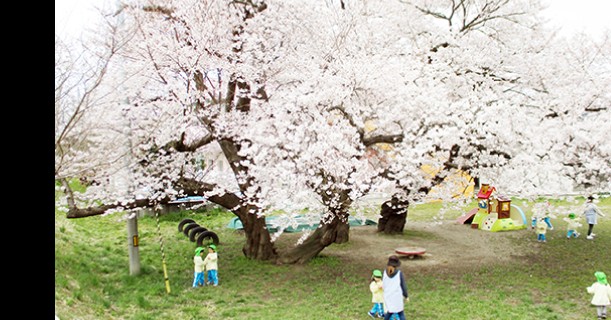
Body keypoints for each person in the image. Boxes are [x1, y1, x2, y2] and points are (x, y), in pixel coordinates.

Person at [382, 255, 409, 320]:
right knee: (400, 313)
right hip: (396, 296)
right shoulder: (399, 273)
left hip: (387, 295)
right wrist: (406, 295)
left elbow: (384, 284)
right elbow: (403, 286)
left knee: (390, 311)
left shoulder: (385, 272)